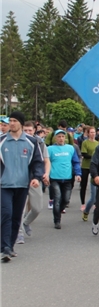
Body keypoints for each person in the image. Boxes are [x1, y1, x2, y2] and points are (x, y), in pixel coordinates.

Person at [0, 112, 44, 261]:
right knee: (6, 214)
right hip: (4, 185)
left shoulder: (31, 142)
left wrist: (37, 177)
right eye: (9, 121)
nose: (11, 123)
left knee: (16, 217)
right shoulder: (2, 141)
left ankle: (10, 246)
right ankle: (4, 247)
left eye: (14, 121)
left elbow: (38, 162)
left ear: (20, 123)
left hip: (22, 185)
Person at [17, 121, 50, 244]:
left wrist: (46, 174)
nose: (28, 133)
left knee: (37, 208)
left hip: (34, 179)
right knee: (20, 208)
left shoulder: (39, 143)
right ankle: (18, 234)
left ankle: (26, 223)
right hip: (19, 180)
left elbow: (46, 161)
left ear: (34, 131)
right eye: (25, 130)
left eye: (30, 130)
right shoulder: (17, 143)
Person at [48, 130, 82, 229]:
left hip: (67, 178)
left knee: (66, 199)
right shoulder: (50, 149)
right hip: (54, 178)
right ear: (55, 138)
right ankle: (57, 220)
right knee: (57, 198)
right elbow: (45, 162)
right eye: (59, 136)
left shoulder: (70, 148)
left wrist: (78, 173)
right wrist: (45, 175)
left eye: (63, 136)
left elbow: (75, 162)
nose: (61, 138)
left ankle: (58, 211)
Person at [80, 127, 99, 211]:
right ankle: (83, 203)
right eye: (91, 132)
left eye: (94, 132)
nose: (93, 134)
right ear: (88, 133)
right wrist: (94, 157)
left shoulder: (98, 143)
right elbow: (84, 154)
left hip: (94, 166)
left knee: (96, 184)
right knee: (83, 185)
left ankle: (95, 202)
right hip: (85, 165)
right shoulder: (85, 142)